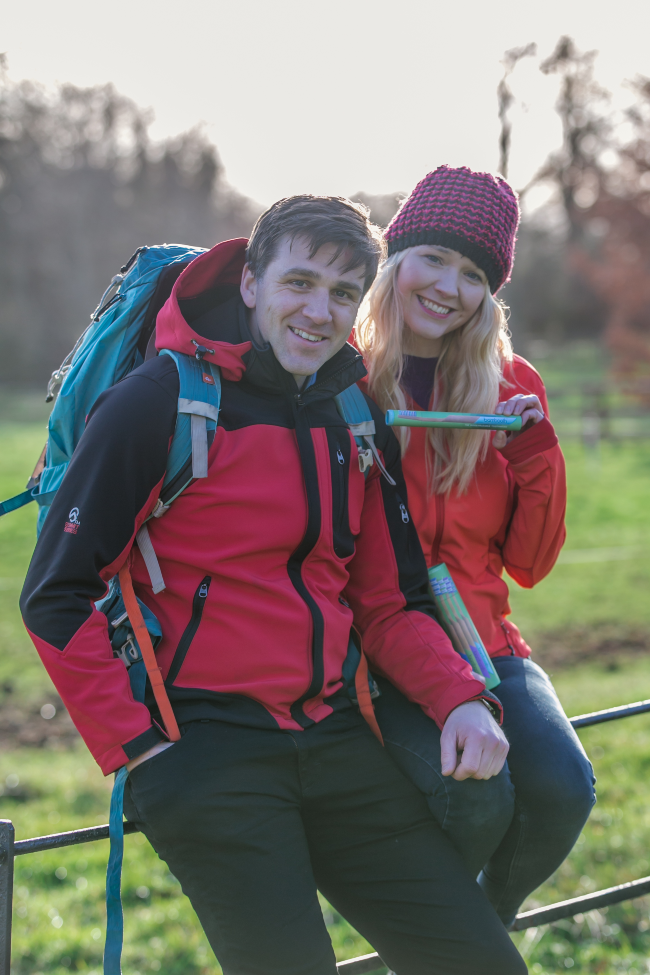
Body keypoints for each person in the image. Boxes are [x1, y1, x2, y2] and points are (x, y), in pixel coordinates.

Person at [20, 195, 527, 975]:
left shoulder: (353, 411)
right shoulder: (160, 399)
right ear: (252, 282)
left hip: (334, 738)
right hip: (202, 751)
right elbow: (55, 593)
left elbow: (386, 601)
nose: (318, 312)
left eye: (342, 293)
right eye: (298, 283)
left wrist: (460, 697)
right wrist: (142, 749)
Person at [355, 165, 596, 927]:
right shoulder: (342, 376)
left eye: (472, 274)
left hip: (484, 635)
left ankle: (475, 930)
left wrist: (535, 457)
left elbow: (529, 563)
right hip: (374, 634)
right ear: (396, 258)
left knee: (562, 786)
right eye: (432, 259)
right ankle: (443, 944)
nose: (446, 287)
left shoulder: (507, 382)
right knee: (474, 797)